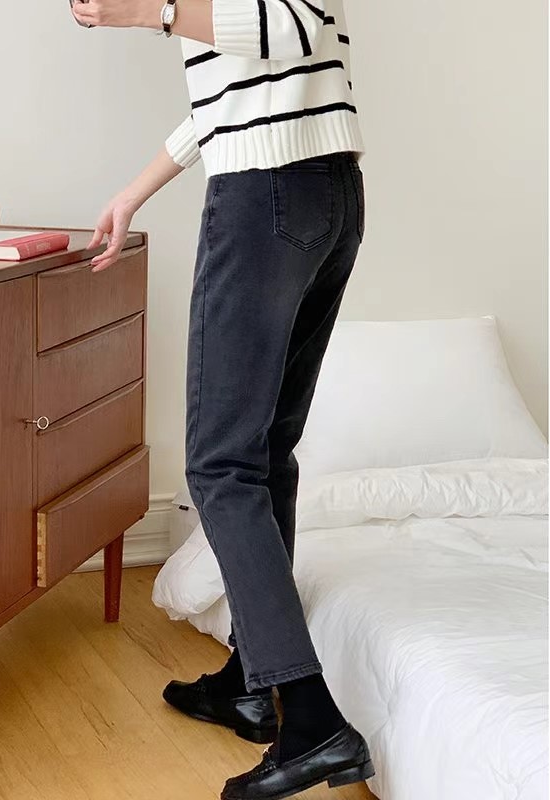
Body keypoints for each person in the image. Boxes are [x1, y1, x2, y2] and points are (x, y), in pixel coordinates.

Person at [72, 0, 372, 797]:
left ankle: (312, 722)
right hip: (324, 192)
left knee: (221, 465)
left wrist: (147, 12)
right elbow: (240, 94)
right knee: (264, 450)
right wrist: (135, 190)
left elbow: (292, 26)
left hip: (265, 200)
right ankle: (251, 679)